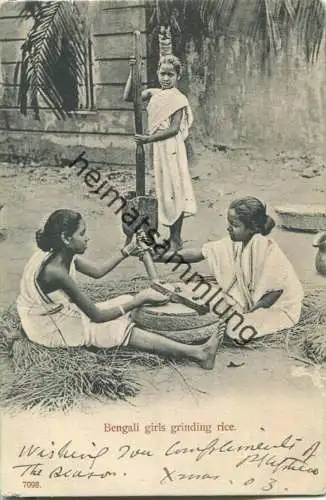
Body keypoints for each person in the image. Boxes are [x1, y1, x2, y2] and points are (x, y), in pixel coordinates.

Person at [16, 209, 221, 369]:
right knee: (117, 328)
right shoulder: (55, 271)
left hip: (56, 312)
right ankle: (198, 353)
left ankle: (158, 339)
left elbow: (97, 271)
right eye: (82, 234)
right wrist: (139, 299)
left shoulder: (62, 254)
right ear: (66, 238)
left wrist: (127, 250)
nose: (88, 238)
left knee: (122, 300)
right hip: (49, 328)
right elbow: (96, 316)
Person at [156, 197, 304, 343]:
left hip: (276, 308)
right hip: (244, 300)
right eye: (229, 222)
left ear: (252, 227)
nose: (228, 228)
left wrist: (250, 313)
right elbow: (199, 253)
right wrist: (161, 256)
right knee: (193, 290)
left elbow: (274, 292)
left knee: (236, 329)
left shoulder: (266, 247)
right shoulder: (235, 242)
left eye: (234, 224)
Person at [133, 55, 197, 251]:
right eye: (163, 74)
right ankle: (170, 237)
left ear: (178, 76)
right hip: (159, 149)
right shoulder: (154, 94)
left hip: (171, 148)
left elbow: (174, 128)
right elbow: (130, 96)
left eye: (171, 74)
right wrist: (132, 71)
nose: (166, 78)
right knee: (163, 190)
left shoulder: (178, 98)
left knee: (174, 189)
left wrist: (147, 139)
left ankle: (176, 239)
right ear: (157, 74)